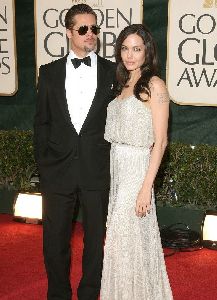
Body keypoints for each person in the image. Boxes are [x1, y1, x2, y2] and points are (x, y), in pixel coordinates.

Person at [33, 4, 116, 300]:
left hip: (96, 169)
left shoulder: (112, 72)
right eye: (83, 29)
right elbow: (41, 122)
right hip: (58, 169)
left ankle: (90, 292)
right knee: (54, 240)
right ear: (69, 32)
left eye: (94, 28)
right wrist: (45, 164)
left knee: (95, 240)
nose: (90, 34)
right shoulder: (50, 72)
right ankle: (58, 293)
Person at [100, 24, 173, 299]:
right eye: (125, 48)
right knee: (121, 242)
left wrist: (145, 188)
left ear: (147, 52)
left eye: (137, 49)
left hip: (137, 173)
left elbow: (161, 141)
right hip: (117, 170)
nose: (130, 55)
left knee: (128, 239)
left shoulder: (155, 84)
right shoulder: (122, 83)